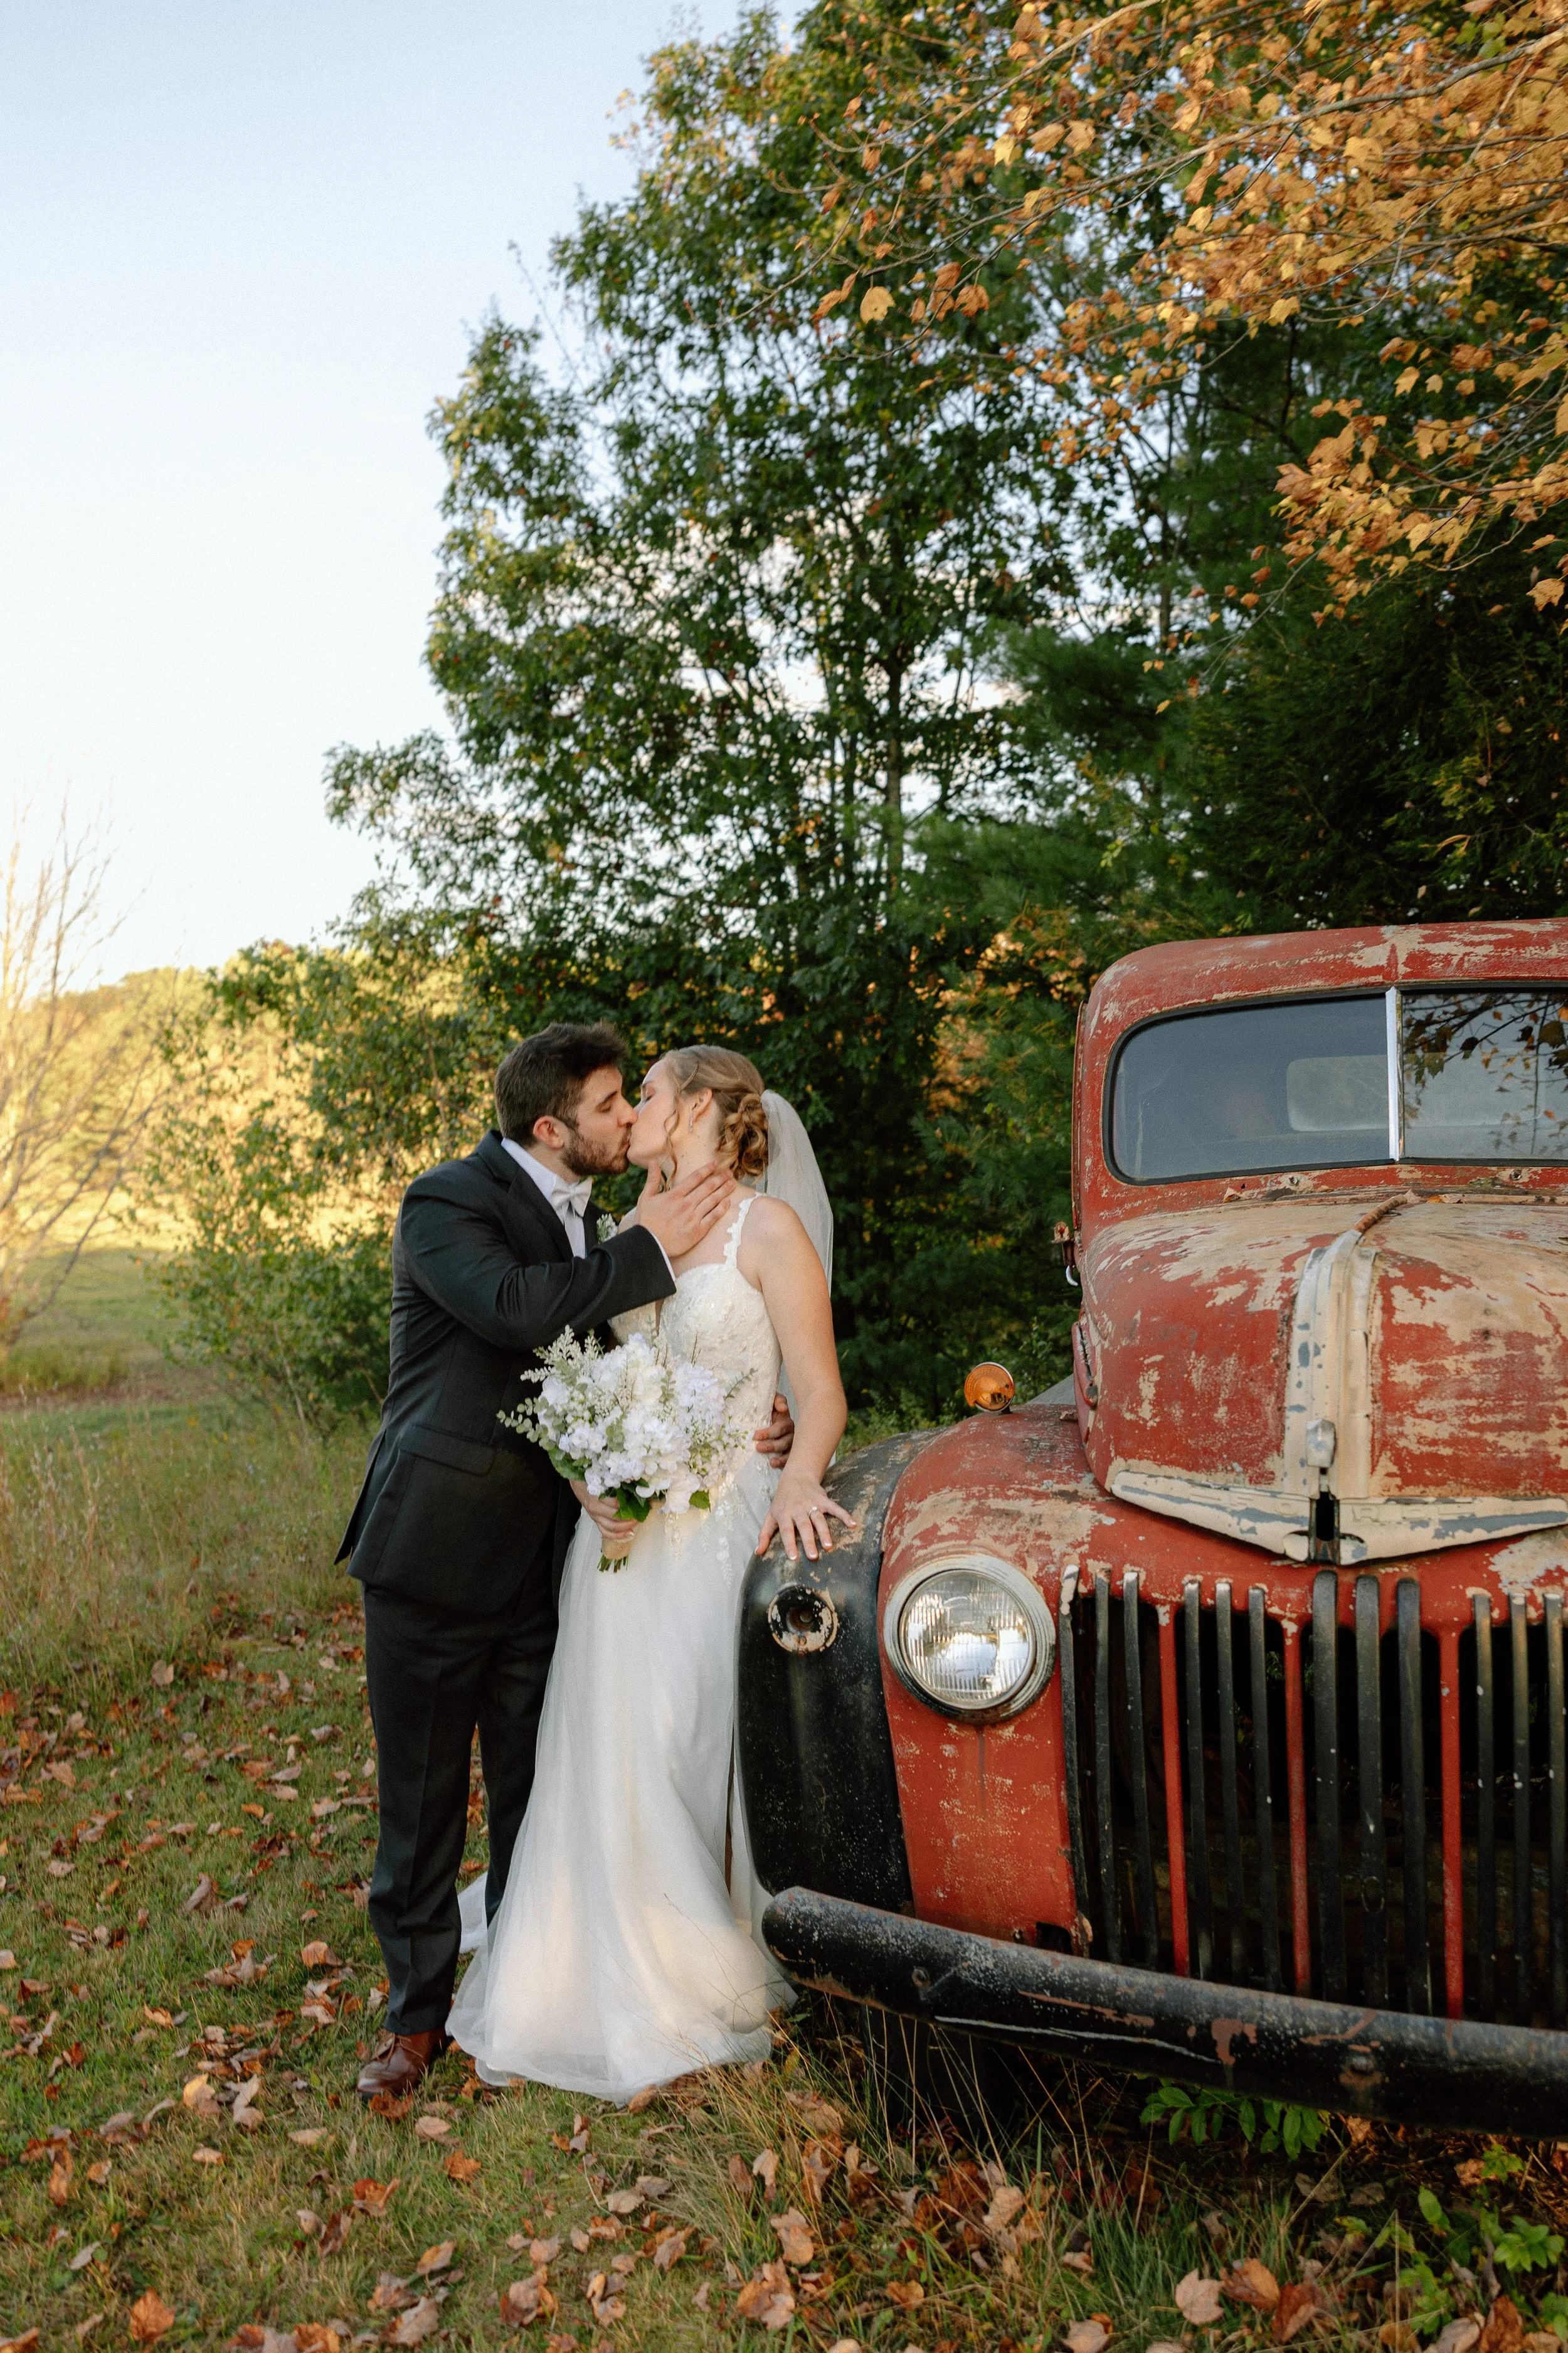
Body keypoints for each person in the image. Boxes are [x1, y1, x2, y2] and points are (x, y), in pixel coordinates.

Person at [339, 1023, 796, 2101]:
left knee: (540, 1789)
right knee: (422, 1800)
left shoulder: (605, 1215)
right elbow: (513, 1313)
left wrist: (746, 1413)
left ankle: (536, 1977)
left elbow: (626, 1360)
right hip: (437, 1551)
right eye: (608, 1103)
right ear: (554, 1127)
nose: (627, 1117)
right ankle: (414, 2023)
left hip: (565, 1559)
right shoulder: (447, 1201)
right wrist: (643, 1241)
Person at [447, 1045, 853, 2101]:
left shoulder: (770, 1228)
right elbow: (596, 1373)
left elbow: (819, 1391)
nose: (632, 1114)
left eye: (652, 1093)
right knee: (612, 1734)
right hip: (623, 1531)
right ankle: (601, 1945)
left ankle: (701, 1944)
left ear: (707, 1106)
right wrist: (591, 1465)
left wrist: (801, 1473)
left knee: (692, 1729)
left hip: (724, 1527)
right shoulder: (629, 1231)